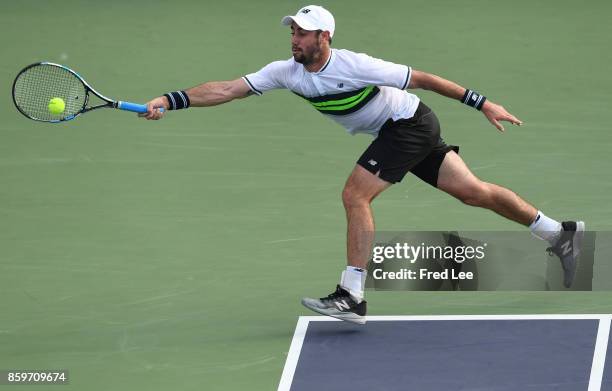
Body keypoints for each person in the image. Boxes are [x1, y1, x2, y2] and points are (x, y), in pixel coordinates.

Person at [140, 5, 585, 325]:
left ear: (324, 37)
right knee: (475, 192)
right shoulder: (285, 71)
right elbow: (226, 89)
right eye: (292, 31)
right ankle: (558, 234)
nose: (294, 39)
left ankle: (351, 295)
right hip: (403, 130)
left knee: (355, 194)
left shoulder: (356, 65)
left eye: (303, 33)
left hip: (407, 124)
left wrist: (483, 102)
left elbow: (424, 79)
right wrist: (169, 100)